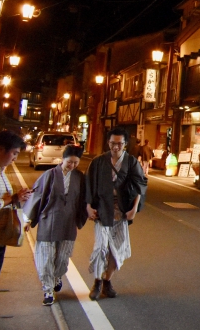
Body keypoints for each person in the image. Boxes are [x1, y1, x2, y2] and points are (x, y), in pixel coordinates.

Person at [85, 127, 147, 301]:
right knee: (100, 248)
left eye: (119, 144)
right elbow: (88, 185)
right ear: (108, 143)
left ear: (125, 144)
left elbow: (139, 186)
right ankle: (97, 282)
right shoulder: (97, 162)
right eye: (113, 143)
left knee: (116, 250)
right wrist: (89, 207)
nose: (116, 147)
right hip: (102, 211)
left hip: (121, 212)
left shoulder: (131, 162)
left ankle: (107, 281)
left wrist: (134, 209)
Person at [23, 145, 88, 305]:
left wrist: (89, 212)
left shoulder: (79, 177)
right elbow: (37, 196)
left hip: (68, 222)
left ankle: (57, 276)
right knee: (45, 258)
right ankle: (48, 290)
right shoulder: (49, 175)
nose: (72, 165)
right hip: (48, 220)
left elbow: (84, 200)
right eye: (69, 162)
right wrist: (28, 219)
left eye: (75, 162)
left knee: (62, 257)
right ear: (62, 159)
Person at [0, 130, 32, 275]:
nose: (15, 158)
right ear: (1, 149)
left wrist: (17, 199)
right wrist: (11, 199)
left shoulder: (2, 172)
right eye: (14, 153)